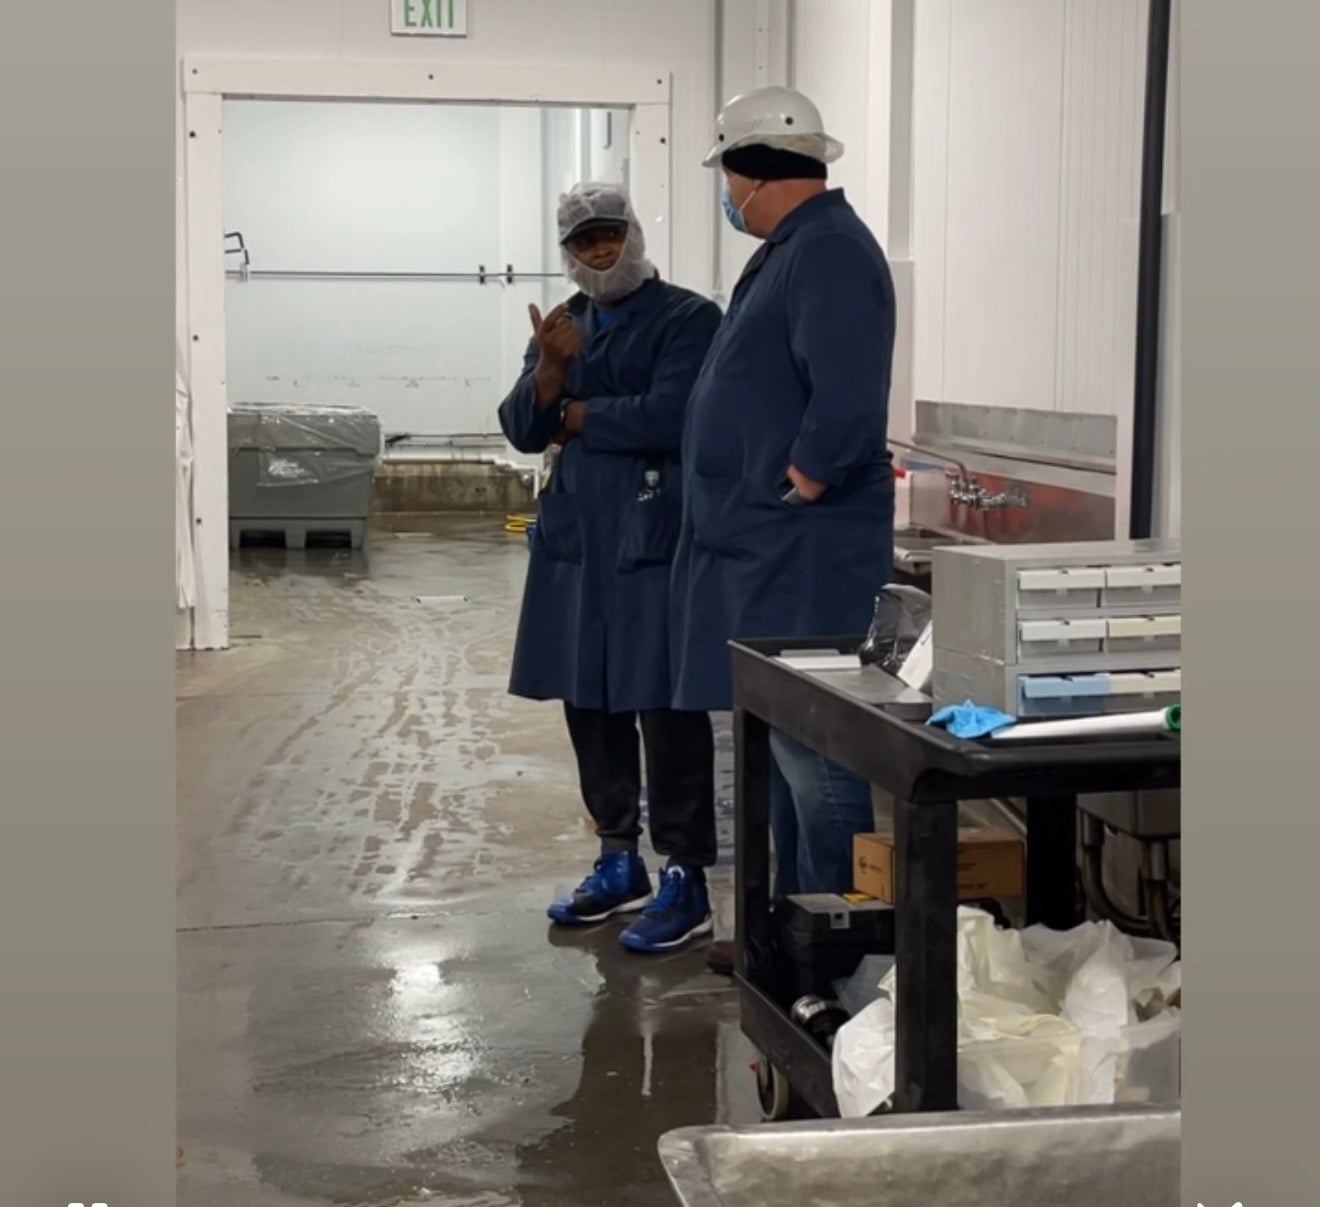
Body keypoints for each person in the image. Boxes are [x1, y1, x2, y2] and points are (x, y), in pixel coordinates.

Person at [668, 88, 896, 971]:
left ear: (751, 171)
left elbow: (847, 395)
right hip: (766, 550)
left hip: (803, 552)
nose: (728, 196)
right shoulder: (792, 250)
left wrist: (800, 483)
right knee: (785, 750)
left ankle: (837, 954)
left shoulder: (828, 251)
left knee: (819, 754)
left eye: (728, 177)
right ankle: (788, 933)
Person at [498, 181, 724, 954]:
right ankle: (618, 856)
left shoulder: (688, 319)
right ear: (566, 252)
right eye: (583, 240)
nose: (599, 250)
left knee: (663, 703)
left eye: (610, 234)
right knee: (588, 697)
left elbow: (675, 413)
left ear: (633, 234)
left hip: (652, 537)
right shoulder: (563, 326)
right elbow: (522, 428)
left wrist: (576, 413)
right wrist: (549, 372)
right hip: (575, 541)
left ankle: (686, 873)